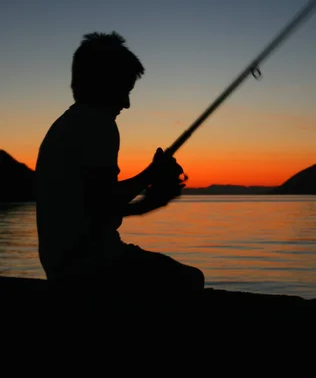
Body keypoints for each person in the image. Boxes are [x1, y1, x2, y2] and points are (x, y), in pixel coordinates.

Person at [35, 31, 205, 311]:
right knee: (190, 280)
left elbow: (93, 207)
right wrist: (151, 176)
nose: (126, 103)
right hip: (90, 267)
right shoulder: (97, 124)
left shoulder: (67, 124)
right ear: (103, 83)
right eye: (124, 90)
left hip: (63, 265)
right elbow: (104, 202)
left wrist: (151, 200)